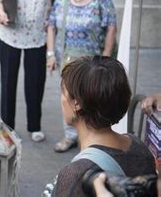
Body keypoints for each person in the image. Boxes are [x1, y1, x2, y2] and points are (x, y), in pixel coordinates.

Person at [0, 0, 70, 142]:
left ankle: (34, 125)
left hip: (38, 37)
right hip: (10, 35)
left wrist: (53, 17)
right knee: (8, 82)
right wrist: (1, 13)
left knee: (35, 83)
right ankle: (7, 127)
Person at [52, 56, 156, 196]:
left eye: (63, 94)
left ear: (77, 103)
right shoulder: (140, 147)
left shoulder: (74, 175)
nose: (61, 100)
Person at [46, 0, 117, 153]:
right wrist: (51, 53)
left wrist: (106, 56)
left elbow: (111, 28)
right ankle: (70, 136)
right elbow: (51, 26)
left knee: (92, 99)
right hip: (67, 60)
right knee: (69, 99)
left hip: (93, 62)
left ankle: (92, 139)